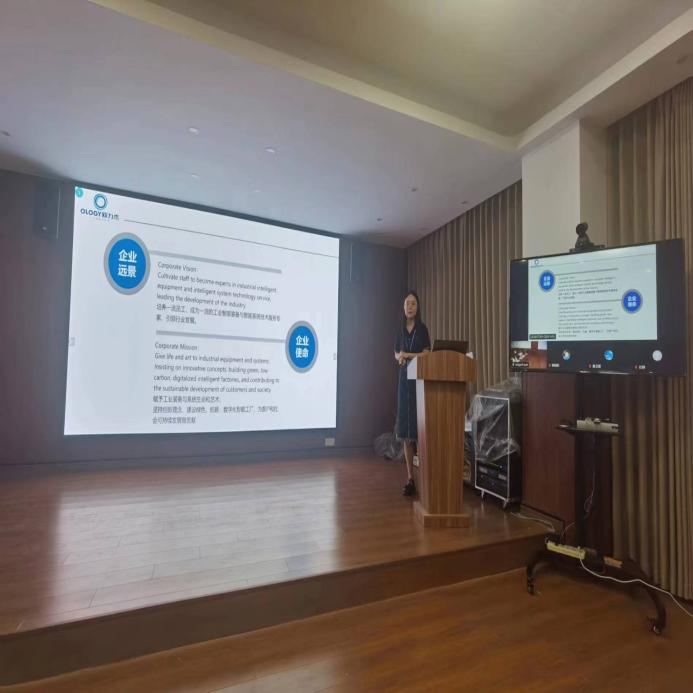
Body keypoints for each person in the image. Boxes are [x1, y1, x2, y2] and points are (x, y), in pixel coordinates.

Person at [394, 291, 431, 496]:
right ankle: (410, 478)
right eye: (407, 303)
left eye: (413, 303)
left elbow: (427, 353)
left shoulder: (422, 329)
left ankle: (424, 476)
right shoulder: (399, 329)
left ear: (418, 307)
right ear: (403, 307)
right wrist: (401, 356)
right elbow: (395, 353)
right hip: (403, 382)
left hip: (419, 381)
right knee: (405, 432)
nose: (410, 307)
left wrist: (408, 355)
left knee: (420, 431)